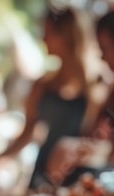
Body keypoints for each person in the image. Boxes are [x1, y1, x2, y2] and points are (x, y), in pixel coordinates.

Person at [0, 7, 98, 190]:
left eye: (47, 32)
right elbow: (27, 133)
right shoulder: (41, 85)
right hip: (41, 179)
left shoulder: (94, 88)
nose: (43, 39)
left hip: (77, 182)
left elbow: (93, 139)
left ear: (65, 35)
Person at [47, 9, 114, 186]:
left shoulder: (96, 85)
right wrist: (77, 149)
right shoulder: (110, 91)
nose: (102, 56)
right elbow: (99, 139)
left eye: (105, 48)